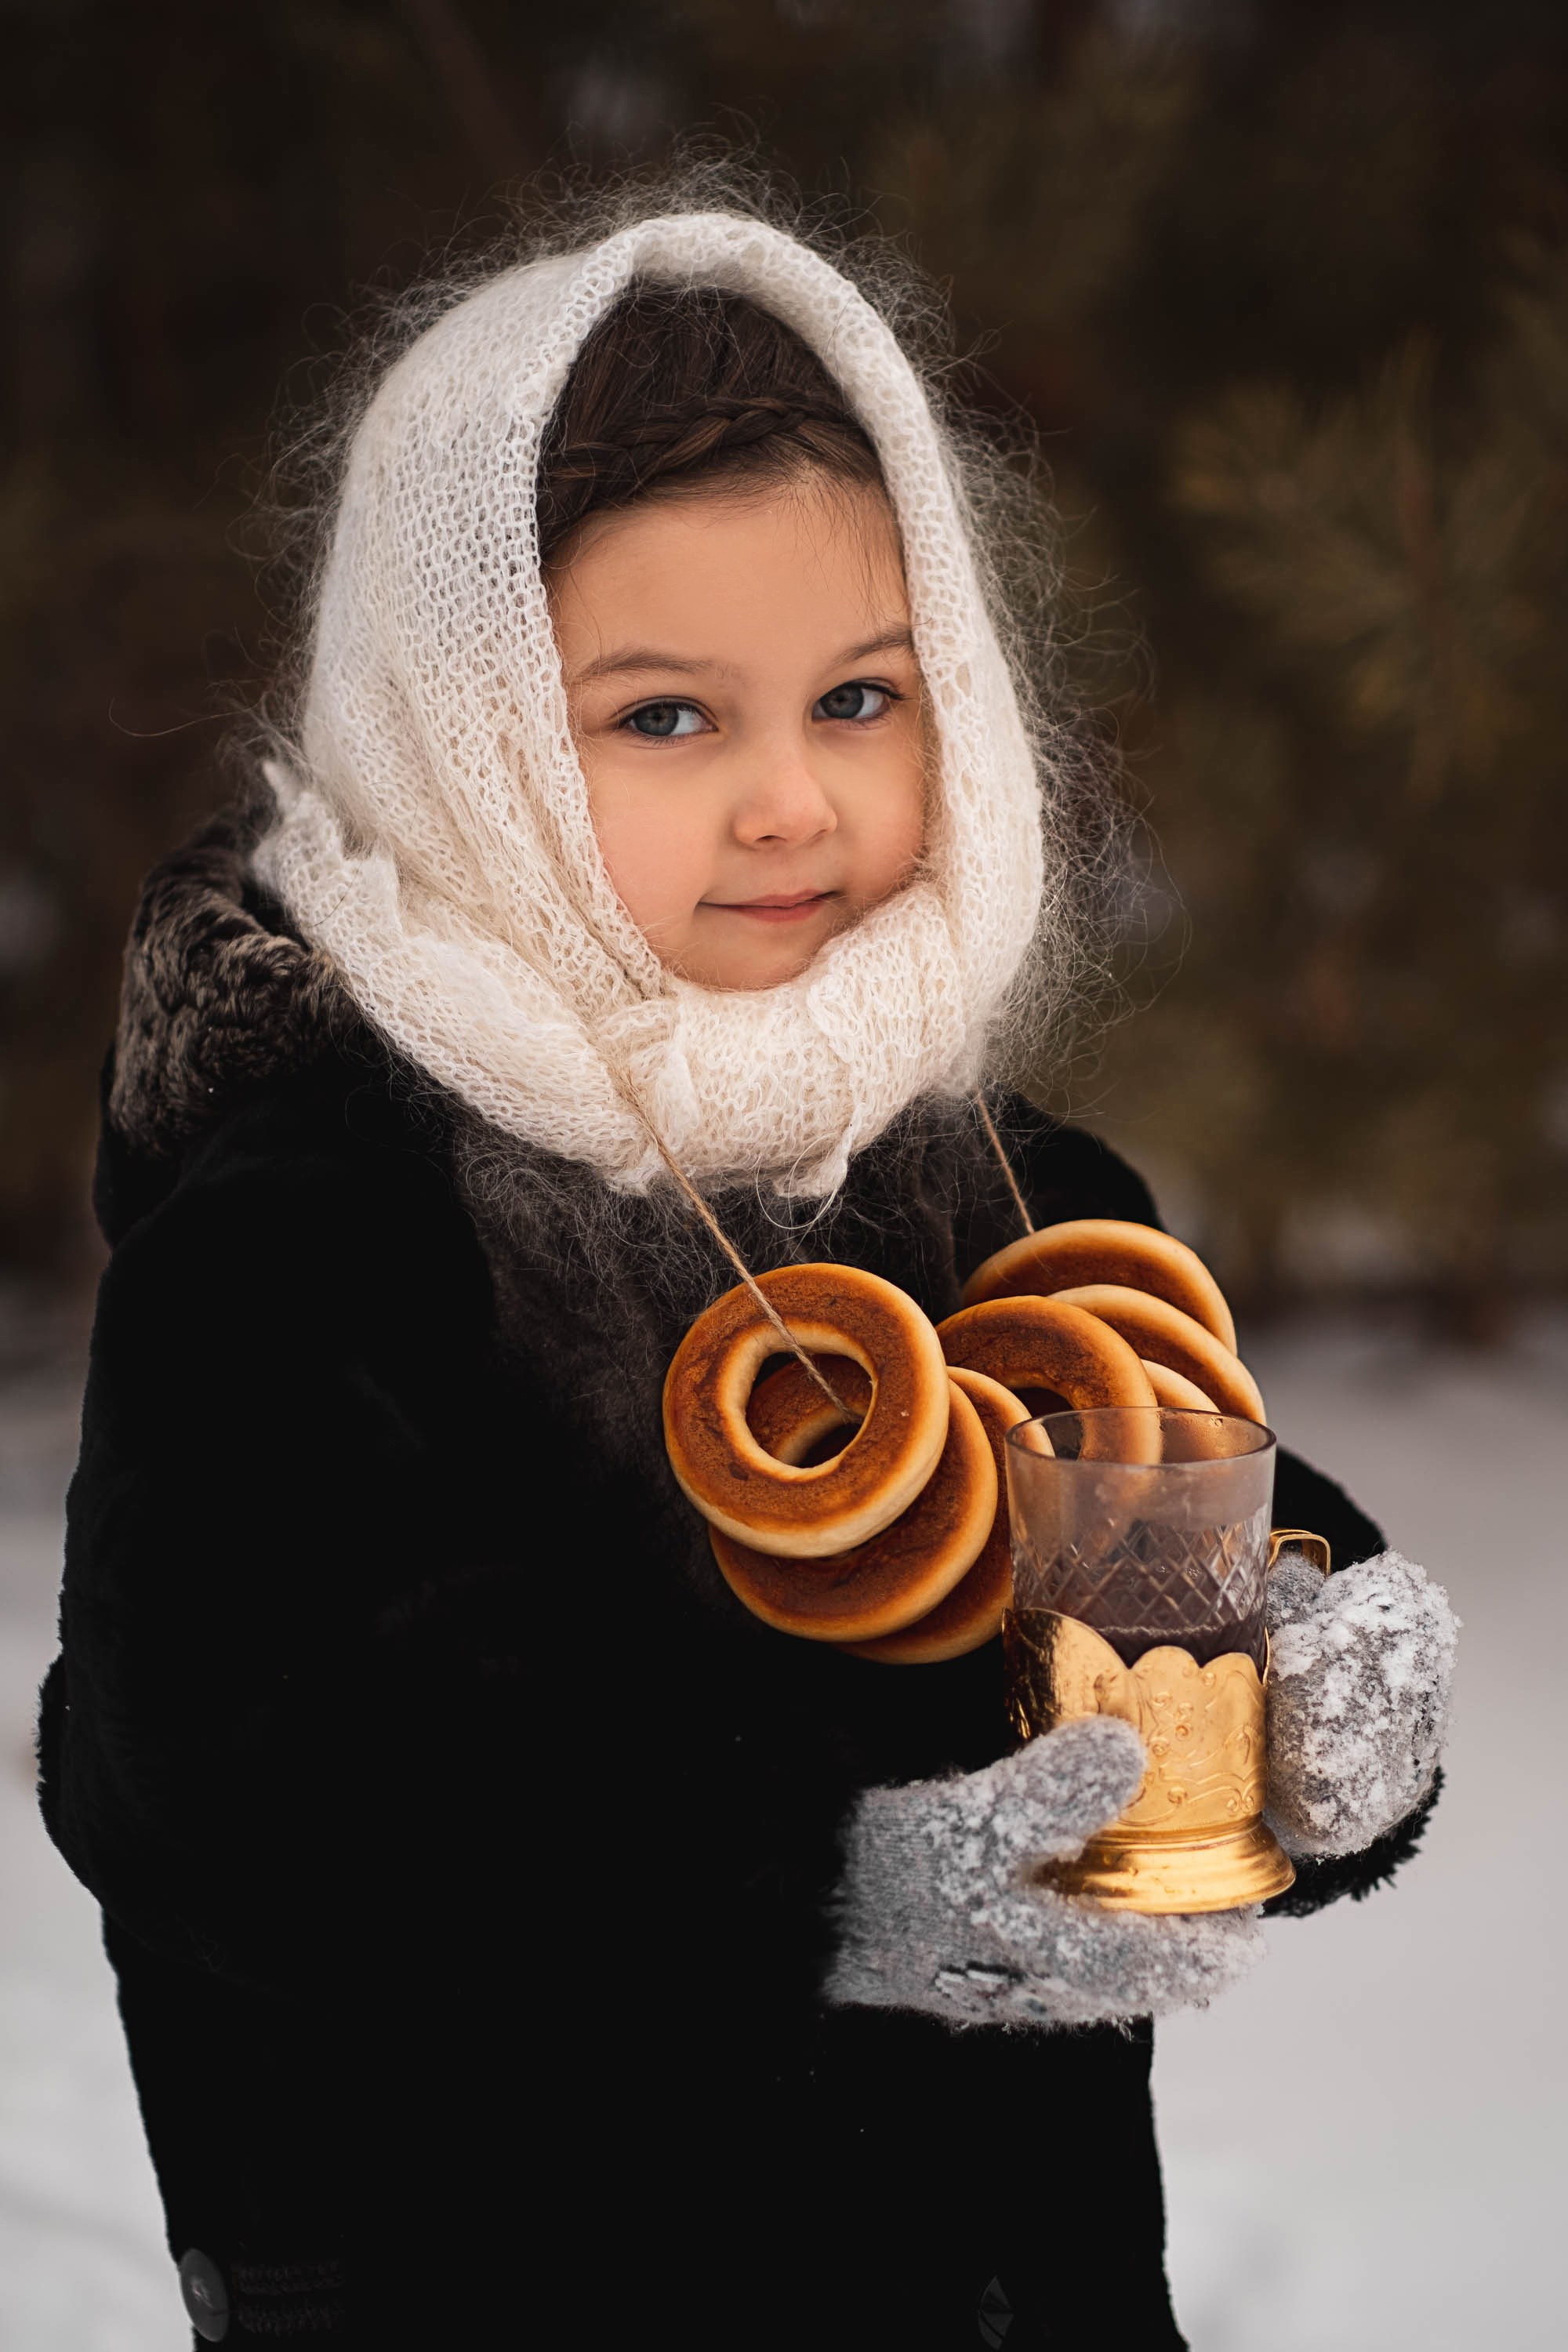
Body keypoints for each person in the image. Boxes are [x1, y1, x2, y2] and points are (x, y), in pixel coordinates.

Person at [37, 200, 1456, 2349]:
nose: (795, 800)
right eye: (667, 719)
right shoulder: (314, 1221)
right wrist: (827, 1878)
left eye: (860, 697)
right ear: (466, 730)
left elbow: (1169, 1566)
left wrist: (1311, 1675)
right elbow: (245, 1786)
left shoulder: (999, 1178)